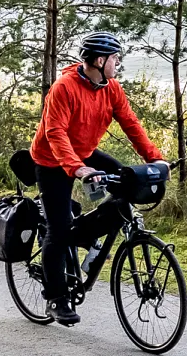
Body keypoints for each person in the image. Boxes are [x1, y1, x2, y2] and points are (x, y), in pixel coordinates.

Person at [29, 31, 166, 325]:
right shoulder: (64, 88)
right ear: (100, 61)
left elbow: (130, 124)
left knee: (129, 182)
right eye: (115, 58)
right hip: (51, 160)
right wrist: (77, 169)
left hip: (84, 152)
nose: (118, 63)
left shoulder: (111, 88)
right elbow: (55, 133)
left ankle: (85, 233)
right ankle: (56, 298)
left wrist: (154, 158)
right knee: (58, 229)